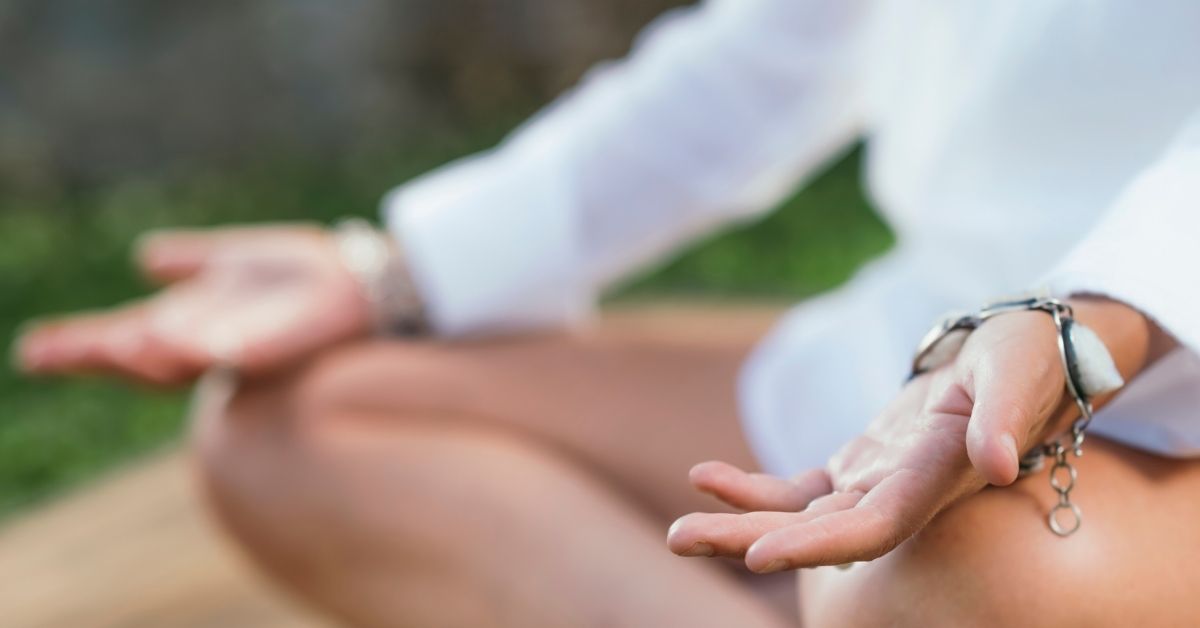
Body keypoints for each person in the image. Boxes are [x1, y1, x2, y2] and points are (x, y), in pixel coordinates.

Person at [14, 1, 1200, 625]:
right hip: (909, 351)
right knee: (291, 426)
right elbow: (761, 62)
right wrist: (394, 270)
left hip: (1168, 394)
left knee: (940, 584)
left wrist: (1086, 324)